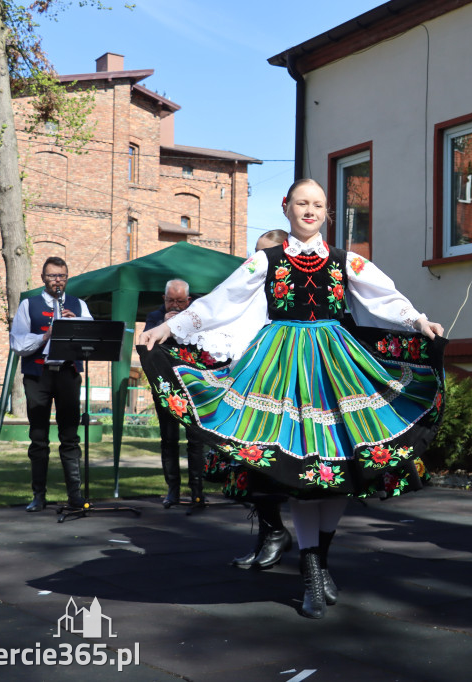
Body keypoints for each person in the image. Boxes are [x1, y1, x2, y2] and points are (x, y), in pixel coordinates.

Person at [139, 178, 446, 619]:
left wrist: (419, 322)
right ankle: (311, 572)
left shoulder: (345, 261)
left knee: (340, 468)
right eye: (302, 203)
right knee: (303, 473)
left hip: (337, 367)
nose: (310, 210)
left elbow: (385, 297)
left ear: (327, 211)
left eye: (318, 204)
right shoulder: (265, 260)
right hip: (280, 366)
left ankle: (319, 562)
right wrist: (169, 327)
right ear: (286, 207)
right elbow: (222, 301)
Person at [228, 227, 294, 569]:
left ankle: (280, 536)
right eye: (255, 252)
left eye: (264, 252)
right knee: (249, 456)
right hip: (253, 377)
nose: (256, 259)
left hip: (284, 381)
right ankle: (270, 533)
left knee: (271, 458)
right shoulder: (252, 286)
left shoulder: (288, 289)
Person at [10, 257, 92, 512]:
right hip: (39, 375)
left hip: (68, 373)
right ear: (43, 278)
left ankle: (75, 496)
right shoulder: (29, 305)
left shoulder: (79, 305)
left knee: (70, 436)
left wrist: (77, 325)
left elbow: (92, 339)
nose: (58, 281)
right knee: (38, 437)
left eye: (62, 276)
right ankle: (38, 495)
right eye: (52, 276)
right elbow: (18, 343)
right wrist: (45, 336)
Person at [145, 279, 207, 509]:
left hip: (192, 385)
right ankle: (172, 490)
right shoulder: (154, 316)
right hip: (165, 385)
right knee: (169, 439)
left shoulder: (196, 315)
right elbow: (145, 342)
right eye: (171, 300)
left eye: (180, 301)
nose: (175, 305)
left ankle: (197, 490)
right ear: (164, 298)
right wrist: (163, 324)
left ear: (188, 300)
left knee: (196, 440)